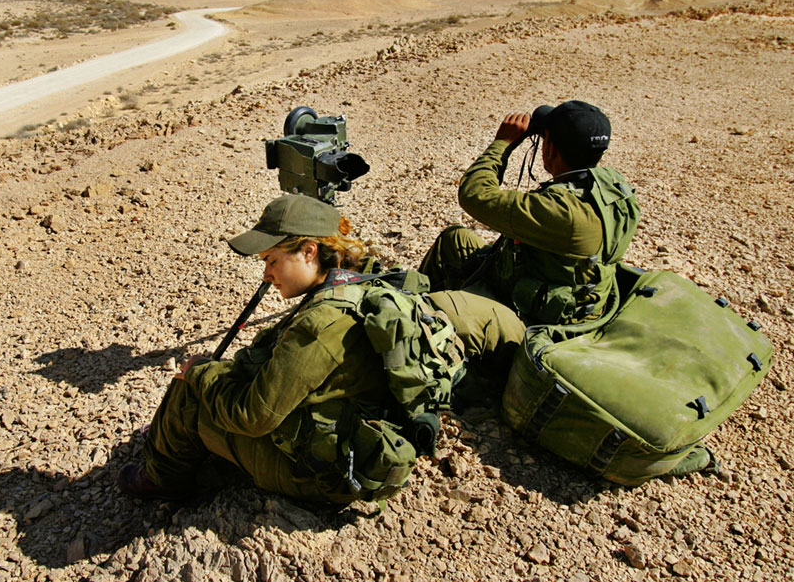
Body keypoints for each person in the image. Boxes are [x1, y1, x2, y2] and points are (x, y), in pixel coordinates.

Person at [118, 194, 524, 504]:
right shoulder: (361, 282)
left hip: (328, 475)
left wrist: (200, 373)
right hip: (359, 439)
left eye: (273, 260)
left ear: (309, 251)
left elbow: (254, 415)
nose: (267, 274)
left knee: (191, 391)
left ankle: (158, 480)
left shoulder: (321, 322)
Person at [420, 101, 640, 325]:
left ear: (551, 150)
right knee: (455, 240)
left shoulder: (561, 212)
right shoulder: (612, 189)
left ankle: (418, 329)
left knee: (443, 306)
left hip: (538, 320)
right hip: (554, 285)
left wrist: (503, 143)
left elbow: (474, 194)